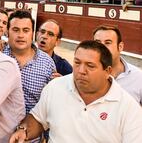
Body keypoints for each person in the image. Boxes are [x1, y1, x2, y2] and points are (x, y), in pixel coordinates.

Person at [9, 41, 142, 143]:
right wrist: (24, 130)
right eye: (77, 63)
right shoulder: (56, 87)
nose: (81, 70)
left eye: (90, 66)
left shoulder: (129, 108)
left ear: (107, 72)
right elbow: (38, 118)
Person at [3, 10, 56, 114]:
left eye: (26, 30)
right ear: (7, 32)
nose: (21, 35)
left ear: (33, 33)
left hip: (33, 127)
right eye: (16, 30)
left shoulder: (47, 63)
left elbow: (51, 102)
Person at [93, 25, 142, 105]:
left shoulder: (138, 77)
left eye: (108, 42)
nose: (101, 47)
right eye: (97, 43)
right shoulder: (86, 74)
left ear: (120, 47)